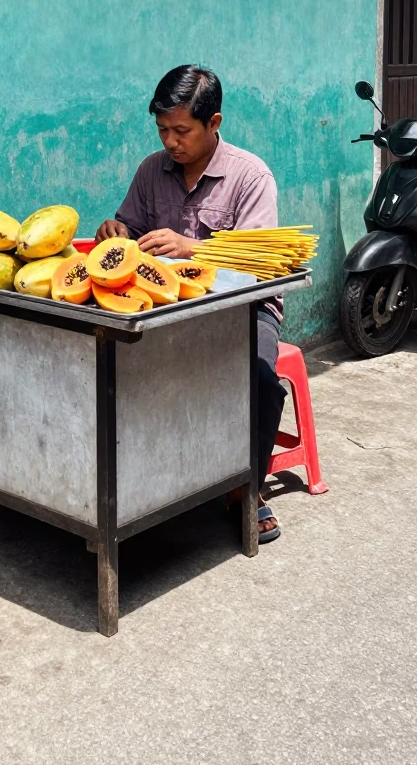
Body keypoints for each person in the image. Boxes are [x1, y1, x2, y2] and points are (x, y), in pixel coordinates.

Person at [96, 64, 285, 544]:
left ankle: (248, 488)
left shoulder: (250, 176)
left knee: (261, 383)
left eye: (181, 130)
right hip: (165, 305)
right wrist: (115, 232)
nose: (171, 142)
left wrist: (193, 249)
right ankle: (139, 486)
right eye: (162, 130)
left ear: (214, 123)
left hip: (242, 308)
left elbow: (260, 267)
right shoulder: (150, 171)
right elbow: (129, 231)